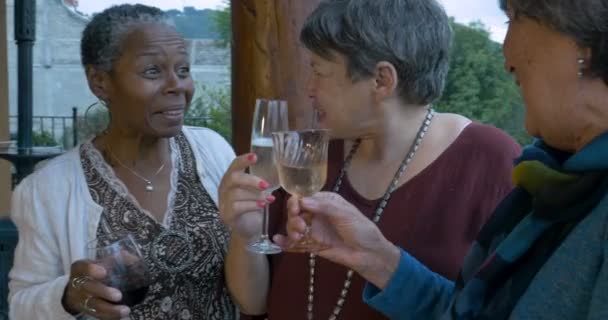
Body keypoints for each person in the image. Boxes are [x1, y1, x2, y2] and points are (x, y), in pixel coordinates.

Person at [279, 0, 608, 319]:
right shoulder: (556, 183)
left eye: (513, 18)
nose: (507, 57)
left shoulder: (512, 169)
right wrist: (375, 257)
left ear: (581, 46)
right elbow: (469, 312)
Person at [219, 0, 521, 319]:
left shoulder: (491, 163)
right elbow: (253, 304)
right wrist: (247, 235)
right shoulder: (310, 155)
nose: (308, 88)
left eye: (319, 71)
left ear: (381, 80)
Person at [8, 4, 236, 320]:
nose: (177, 86)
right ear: (100, 81)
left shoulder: (213, 151)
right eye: (152, 71)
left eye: (183, 70)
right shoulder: (48, 188)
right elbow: (21, 304)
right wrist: (67, 297)